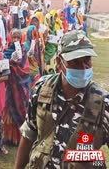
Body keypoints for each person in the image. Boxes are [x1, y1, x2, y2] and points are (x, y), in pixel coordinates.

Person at [15, 30, 109, 168]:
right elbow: (28, 134)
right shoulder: (42, 89)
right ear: (60, 62)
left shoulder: (103, 104)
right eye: (75, 62)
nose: (83, 68)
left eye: (87, 60)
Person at [3, 29, 30, 145]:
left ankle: (19, 138)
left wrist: (13, 64)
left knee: (21, 109)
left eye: (18, 38)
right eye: (14, 37)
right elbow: (3, 64)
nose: (16, 40)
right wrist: (9, 61)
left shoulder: (23, 50)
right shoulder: (7, 49)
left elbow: (24, 67)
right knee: (9, 109)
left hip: (20, 87)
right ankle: (10, 137)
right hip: (10, 85)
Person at [25, 17, 44, 88]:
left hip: (36, 69)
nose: (34, 36)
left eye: (35, 34)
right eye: (33, 34)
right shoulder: (25, 45)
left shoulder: (37, 44)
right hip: (29, 71)